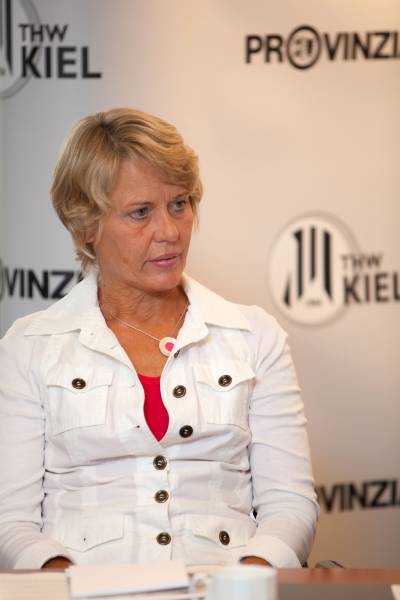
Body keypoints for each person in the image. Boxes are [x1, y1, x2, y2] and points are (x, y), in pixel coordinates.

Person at [0, 108, 318, 570]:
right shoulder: (30, 345)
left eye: (179, 204)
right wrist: (68, 587)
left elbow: (289, 504)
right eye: (140, 213)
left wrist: (245, 584)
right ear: (86, 224)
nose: (169, 232)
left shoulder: (254, 336)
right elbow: (11, 521)